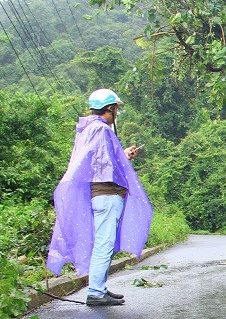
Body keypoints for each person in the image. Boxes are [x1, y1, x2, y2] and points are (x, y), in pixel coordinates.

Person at [47, 89, 153, 307]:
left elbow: (99, 161)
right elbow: (106, 166)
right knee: (104, 242)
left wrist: (122, 155)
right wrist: (122, 159)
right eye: (116, 109)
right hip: (106, 194)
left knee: (104, 241)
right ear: (110, 109)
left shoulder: (88, 129)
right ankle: (95, 291)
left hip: (99, 194)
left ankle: (100, 287)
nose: (117, 113)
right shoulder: (101, 130)